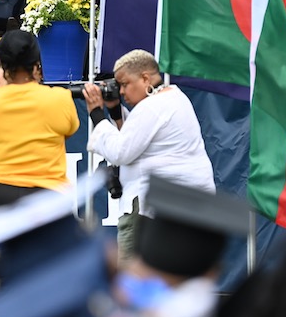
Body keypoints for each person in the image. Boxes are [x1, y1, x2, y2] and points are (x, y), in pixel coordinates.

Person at [82, 49, 215, 261]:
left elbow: (120, 152)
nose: (122, 91)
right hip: (184, 206)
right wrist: (115, 110)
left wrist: (97, 113)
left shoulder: (152, 107)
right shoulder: (175, 98)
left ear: (145, 78)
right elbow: (134, 138)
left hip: (152, 207)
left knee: (132, 275)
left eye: (124, 84)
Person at [0, 30, 80, 214]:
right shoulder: (59, 99)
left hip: (0, 193)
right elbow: (68, 132)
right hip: (48, 194)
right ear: (36, 64)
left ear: (0, 64)